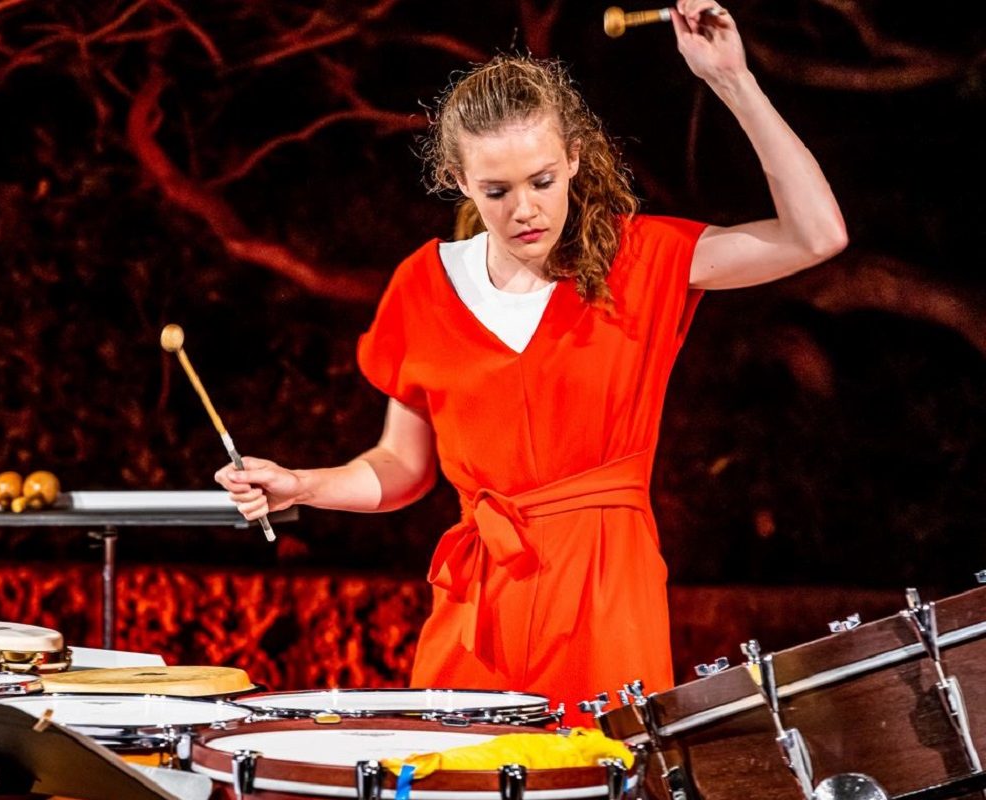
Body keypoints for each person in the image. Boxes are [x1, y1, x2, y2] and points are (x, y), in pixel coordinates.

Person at [216, 0, 846, 726]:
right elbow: (402, 465)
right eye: (497, 190)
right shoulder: (422, 286)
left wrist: (733, 81)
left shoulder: (637, 259)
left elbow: (817, 234)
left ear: (574, 158)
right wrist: (303, 483)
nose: (525, 209)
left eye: (543, 180)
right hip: (479, 603)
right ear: (457, 179)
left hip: (607, 596)